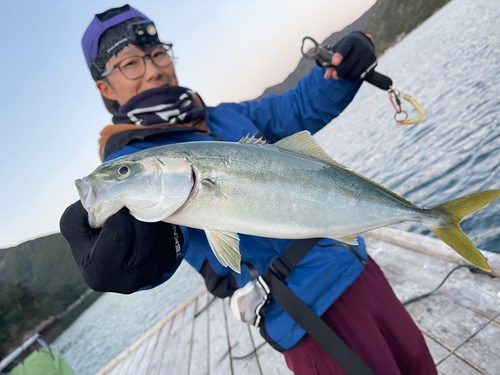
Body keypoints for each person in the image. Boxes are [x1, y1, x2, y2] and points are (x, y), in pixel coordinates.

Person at [60, 5, 437, 374]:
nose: (155, 69)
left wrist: (340, 71)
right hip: (305, 312)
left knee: (420, 364)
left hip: (351, 261)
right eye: (131, 62)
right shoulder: (136, 158)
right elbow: (161, 244)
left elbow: (298, 106)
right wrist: (134, 262)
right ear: (105, 87)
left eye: (159, 54)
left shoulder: (223, 118)